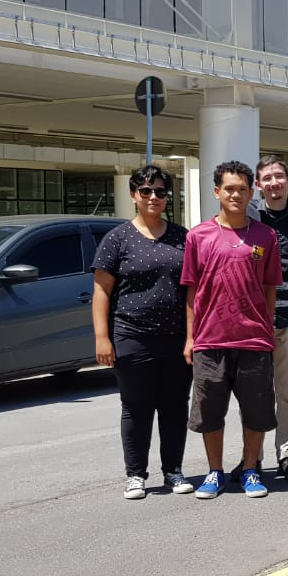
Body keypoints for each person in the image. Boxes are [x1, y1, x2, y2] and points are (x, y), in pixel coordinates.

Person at [91, 165, 194, 500]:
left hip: (175, 338)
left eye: (161, 192)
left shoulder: (183, 237)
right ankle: (135, 474)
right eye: (146, 191)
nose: (153, 197)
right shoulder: (117, 239)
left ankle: (173, 471)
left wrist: (192, 337)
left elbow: (193, 291)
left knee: (175, 405)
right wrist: (102, 338)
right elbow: (102, 291)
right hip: (131, 335)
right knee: (136, 407)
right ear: (134, 194)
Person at [181, 160, 282, 499]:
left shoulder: (265, 236)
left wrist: (266, 330)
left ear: (251, 192)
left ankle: (251, 469)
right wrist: (191, 338)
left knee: (256, 410)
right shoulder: (198, 236)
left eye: (242, 189)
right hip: (210, 340)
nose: (235, 194)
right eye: (229, 189)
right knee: (210, 412)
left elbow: (270, 287)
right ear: (216, 192)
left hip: (254, 340)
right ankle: (215, 472)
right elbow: (192, 291)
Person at [240, 154, 288, 482]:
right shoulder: (248, 217)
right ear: (258, 185)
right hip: (253, 322)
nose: (273, 183)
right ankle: (251, 459)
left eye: (278, 177)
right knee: (254, 394)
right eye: (266, 178)